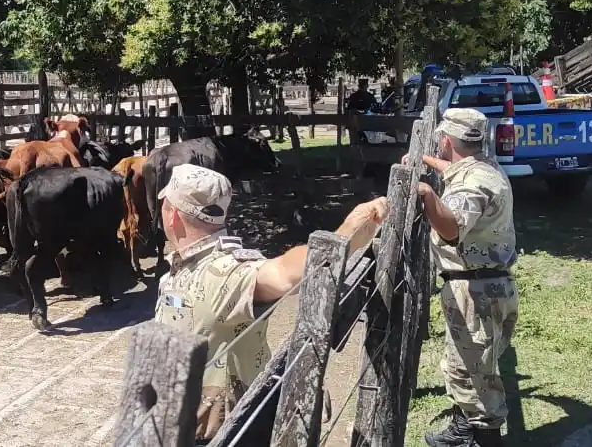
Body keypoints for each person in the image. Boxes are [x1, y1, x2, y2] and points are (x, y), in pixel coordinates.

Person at [151, 164, 388, 444]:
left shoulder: (225, 271)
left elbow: (282, 272)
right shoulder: (183, 268)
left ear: (172, 215)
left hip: (220, 436)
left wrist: (345, 235)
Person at [411, 108, 518, 447]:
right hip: (487, 283)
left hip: (476, 291)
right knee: (468, 365)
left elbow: (452, 228)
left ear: (446, 140)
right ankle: (463, 429)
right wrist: (425, 161)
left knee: (473, 375)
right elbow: (455, 171)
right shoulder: (485, 168)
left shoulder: (472, 184)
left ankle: (485, 440)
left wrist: (426, 194)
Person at [346, 78, 378, 144]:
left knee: (355, 141)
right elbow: (375, 109)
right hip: (366, 122)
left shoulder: (353, 96)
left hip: (357, 122)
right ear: (366, 85)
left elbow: (349, 109)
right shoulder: (369, 96)